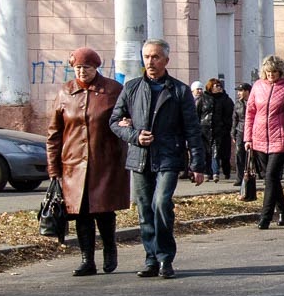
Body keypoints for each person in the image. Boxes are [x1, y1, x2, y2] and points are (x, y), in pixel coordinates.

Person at [110, 38, 206, 279]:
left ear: (166, 60)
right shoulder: (131, 88)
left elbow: (192, 130)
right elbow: (114, 121)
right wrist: (133, 135)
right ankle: (150, 258)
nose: (150, 62)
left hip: (168, 157)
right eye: (147, 57)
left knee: (161, 204)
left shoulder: (179, 91)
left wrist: (197, 164)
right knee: (144, 209)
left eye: (155, 57)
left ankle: (165, 258)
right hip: (140, 157)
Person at [45, 47, 131, 276]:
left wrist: (127, 124)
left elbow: (127, 116)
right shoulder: (65, 92)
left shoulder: (112, 90)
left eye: (87, 67)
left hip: (106, 162)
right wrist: (54, 168)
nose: (82, 72)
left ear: (96, 68)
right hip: (73, 164)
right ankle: (86, 260)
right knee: (80, 212)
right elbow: (54, 134)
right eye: (77, 68)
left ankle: (110, 249)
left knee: (103, 210)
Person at [245, 55, 284, 229]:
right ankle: (282, 211)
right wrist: (247, 138)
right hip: (258, 137)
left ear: (280, 71)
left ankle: (265, 217)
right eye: (268, 71)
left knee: (272, 176)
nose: (271, 75)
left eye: (274, 71)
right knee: (269, 178)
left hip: (280, 137)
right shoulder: (258, 86)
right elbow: (250, 112)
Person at [197, 77, 234, 183]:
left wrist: (226, 127)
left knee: (216, 151)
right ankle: (206, 173)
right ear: (210, 87)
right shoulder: (203, 98)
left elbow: (229, 114)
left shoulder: (225, 99)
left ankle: (215, 173)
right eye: (216, 85)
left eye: (220, 86)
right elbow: (198, 113)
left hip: (219, 130)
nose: (219, 87)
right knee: (205, 152)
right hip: (205, 129)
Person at [231, 82, 250, 186]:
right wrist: (233, 132)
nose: (239, 93)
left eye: (241, 91)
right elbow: (235, 119)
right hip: (240, 130)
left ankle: (259, 174)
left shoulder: (253, 101)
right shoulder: (238, 104)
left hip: (251, 131)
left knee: (252, 155)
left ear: (247, 91)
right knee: (239, 154)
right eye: (238, 91)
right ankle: (239, 178)